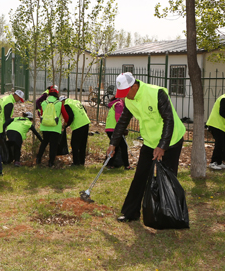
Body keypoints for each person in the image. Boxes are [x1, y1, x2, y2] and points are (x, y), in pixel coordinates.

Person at [107, 72, 186, 223]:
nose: (125, 97)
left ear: (135, 86)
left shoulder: (157, 93)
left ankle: (169, 214)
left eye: (126, 93)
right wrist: (113, 143)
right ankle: (131, 213)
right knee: (140, 176)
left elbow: (169, 120)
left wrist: (163, 146)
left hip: (171, 140)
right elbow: (123, 121)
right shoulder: (129, 100)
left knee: (168, 177)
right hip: (150, 142)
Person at [36, 86, 68, 167]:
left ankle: (38, 159)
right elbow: (66, 116)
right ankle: (50, 162)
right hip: (55, 127)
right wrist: (65, 123)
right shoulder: (59, 103)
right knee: (53, 145)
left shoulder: (43, 103)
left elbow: (42, 114)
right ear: (57, 94)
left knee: (44, 142)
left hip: (45, 126)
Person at [105, 96, 131, 170]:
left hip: (109, 129)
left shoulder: (115, 103)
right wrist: (122, 129)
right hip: (115, 129)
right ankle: (126, 165)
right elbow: (119, 118)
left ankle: (110, 164)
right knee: (123, 147)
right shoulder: (119, 104)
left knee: (115, 147)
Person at [62, 96, 91, 166]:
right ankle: (82, 162)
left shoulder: (66, 105)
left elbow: (70, 116)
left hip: (78, 125)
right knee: (83, 144)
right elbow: (85, 110)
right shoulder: (76, 101)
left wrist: (65, 125)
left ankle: (76, 162)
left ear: (62, 101)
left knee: (74, 144)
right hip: (86, 122)